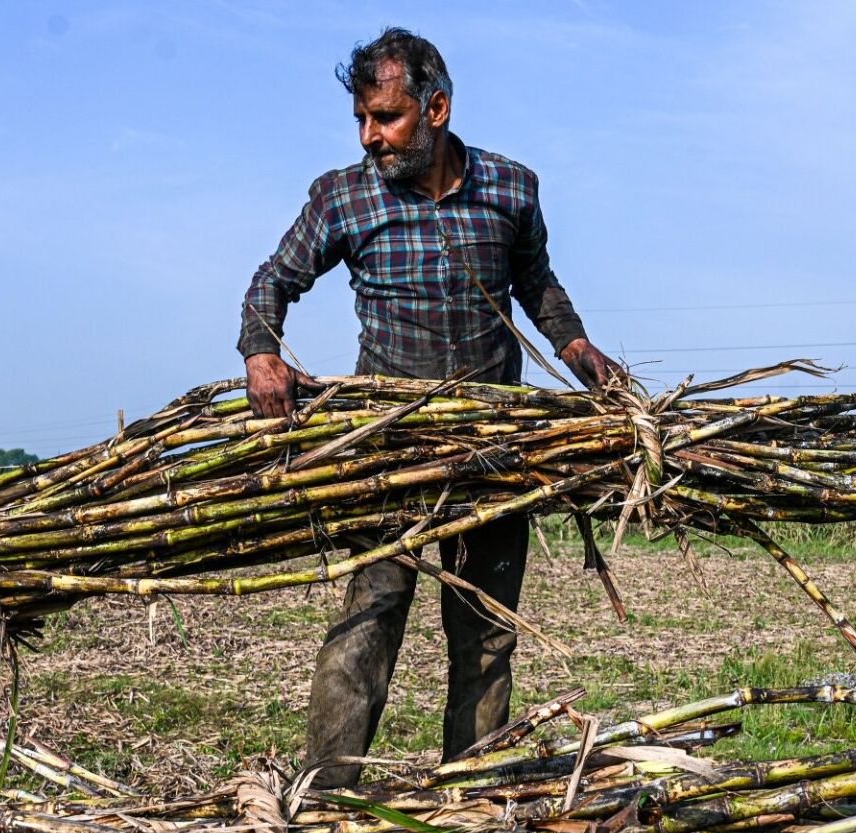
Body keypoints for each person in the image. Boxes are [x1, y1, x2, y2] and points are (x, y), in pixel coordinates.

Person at [238, 27, 622, 787]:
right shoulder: (343, 197)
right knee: (365, 629)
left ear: (436, 107)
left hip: (491, 451)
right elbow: (272, 282)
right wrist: (261, 351)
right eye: (362, 121)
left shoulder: (511, 189)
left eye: (385, 117)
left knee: (484, 637)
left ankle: (469, 800)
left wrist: (582, 356)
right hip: (388, 452)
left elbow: (537, 284)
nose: (370, 137)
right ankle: (327, 800)